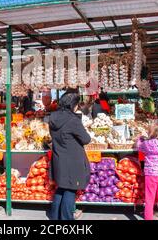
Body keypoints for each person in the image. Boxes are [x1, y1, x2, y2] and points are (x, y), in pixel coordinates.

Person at [49, 92, 91, 220]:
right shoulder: (72, 120)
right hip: (72, 160)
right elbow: (86, 139)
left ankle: (55, 216)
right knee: (70, 189)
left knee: (61, 187)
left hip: (59, 158)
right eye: (77, 104)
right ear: (73, 105)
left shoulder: (53, 117)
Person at [136, 120, 158, 220]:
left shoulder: (147, 144)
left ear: (151, 132)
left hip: (151, 174)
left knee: (149, 198)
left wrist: (140, 138)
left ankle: (148, 218)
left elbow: (138, 147)